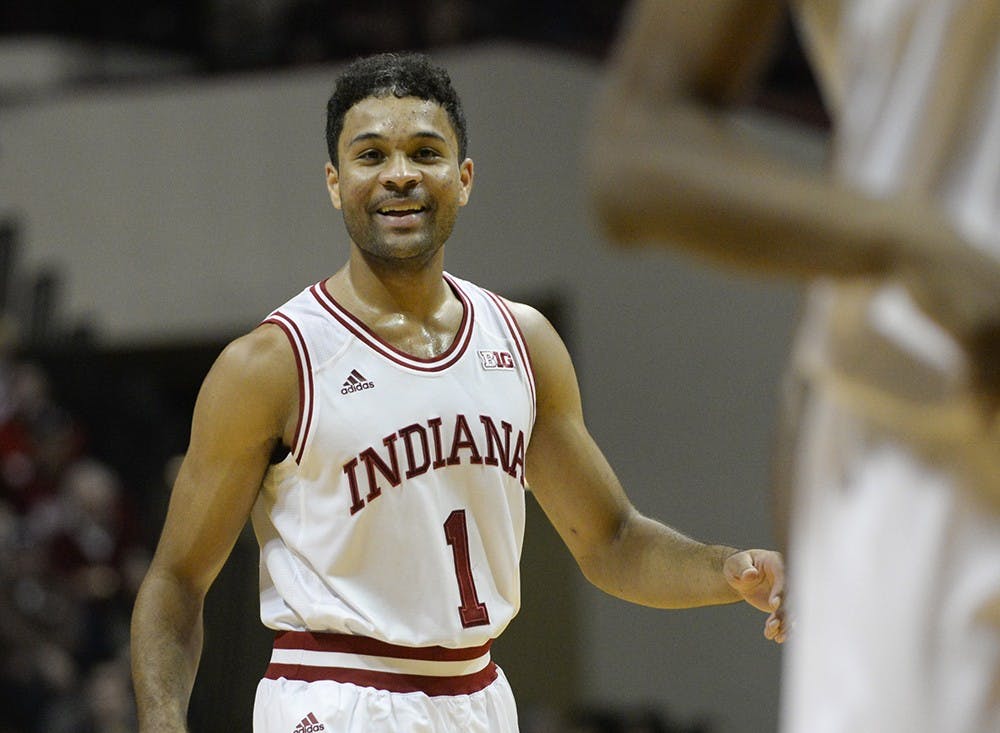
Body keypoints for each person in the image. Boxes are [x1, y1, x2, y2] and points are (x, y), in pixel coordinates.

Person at [129, 51, 786, 733]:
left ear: (464, 178)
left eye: (425, 151)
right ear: (334, 182)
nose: (401, 174)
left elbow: (612, 540)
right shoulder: (271, 363)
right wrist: (162, 722)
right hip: (334, 697)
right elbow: (175, 581)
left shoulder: (524, 342)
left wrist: (729, 571)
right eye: (371, 155)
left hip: (478, 697)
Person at [585, 2, 1000, 732]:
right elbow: (633, 148)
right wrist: (914, 246)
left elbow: (613, 536)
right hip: (935, 446)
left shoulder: (515, 342)